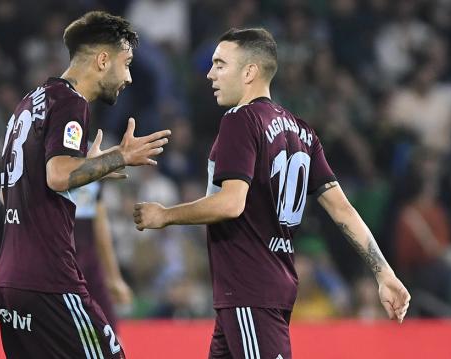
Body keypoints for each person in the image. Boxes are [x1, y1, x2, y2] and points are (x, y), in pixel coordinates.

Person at [133, 28, 410, 359]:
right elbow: (343, 211)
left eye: (220, 64)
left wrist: (165, 215)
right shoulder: (302, 132)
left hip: (251, 293)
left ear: (249, 72)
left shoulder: (240, 121)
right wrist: (384, 272)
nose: (210, 74)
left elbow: (231, 203)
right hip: (262, 290)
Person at [0, 11, 170, 359]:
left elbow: (9, 193)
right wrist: (120, 156)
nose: (129, 77)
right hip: (50, 281)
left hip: (9, 280)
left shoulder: (29, 103)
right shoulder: (71, 102)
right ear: (103, 60)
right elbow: (57, 175)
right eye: (127, 63)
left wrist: (91, 167)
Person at [72, 180, 133, 330]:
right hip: (83, 261)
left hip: (53, 262)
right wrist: (114, 278)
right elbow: (100, 230)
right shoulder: (89, 170)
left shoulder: (41, 167)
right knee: (107, 331)